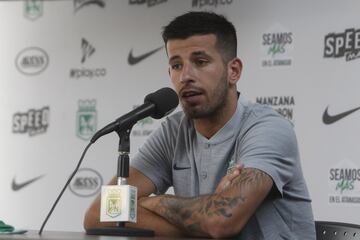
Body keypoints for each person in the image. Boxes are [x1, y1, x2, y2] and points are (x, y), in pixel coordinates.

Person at [84, 11, 316, 239]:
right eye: (176, 65)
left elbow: (220, 221)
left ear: (233, 71)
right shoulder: (172, 132)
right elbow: (98, 214)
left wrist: (153, 201)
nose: (186, 76)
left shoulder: (267, 129)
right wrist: (202, 223)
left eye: (200, 61)